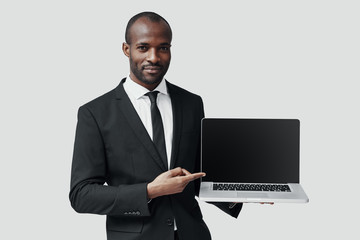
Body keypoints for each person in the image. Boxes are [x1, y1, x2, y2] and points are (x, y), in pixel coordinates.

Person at [69, 11, 242, 240]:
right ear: (126, 49)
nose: (154, 57)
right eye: (143, 47)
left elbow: (197, 175)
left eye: (163, 48)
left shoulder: (191, 103)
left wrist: (240, 193)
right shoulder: (95, 113)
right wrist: (149, 191)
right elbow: (82, 195)